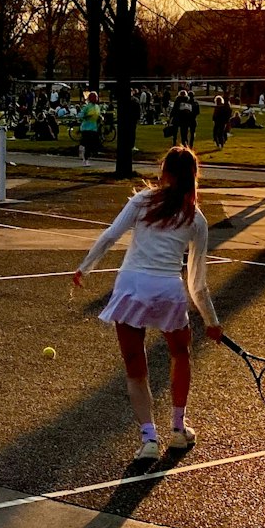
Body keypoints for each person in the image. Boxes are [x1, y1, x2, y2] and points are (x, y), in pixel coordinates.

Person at [72, 147, 223, 461]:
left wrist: (84, 268)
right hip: (167, 291)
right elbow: (197, 281)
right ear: (194, 176)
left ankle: (149, 439)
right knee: (180, 355)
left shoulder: (142, 200)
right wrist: (212, 321)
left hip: (131, 286)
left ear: (164, 172)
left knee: (135, 366)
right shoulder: (196, 218)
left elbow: (110, 236)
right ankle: (178, 429)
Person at [79, 91, 104, 164]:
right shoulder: (86, 107)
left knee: (91, 144)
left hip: (94, 128)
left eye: (96, 97)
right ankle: (85, 159)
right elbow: (80, 115)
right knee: (88, 144)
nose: (95, 99)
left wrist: (100, 118)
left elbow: (98, 114)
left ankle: (83, 151)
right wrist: (86, 116)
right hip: (86, 128)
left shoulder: (97, 107)